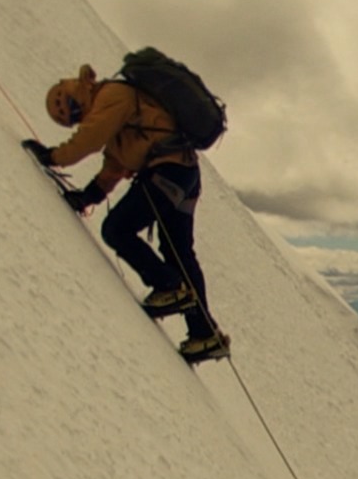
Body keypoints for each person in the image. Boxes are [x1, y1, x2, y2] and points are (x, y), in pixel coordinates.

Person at [23, 64, 229, 363]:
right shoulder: (120, 108)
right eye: (62, 114)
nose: (66, 110)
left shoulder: (112, 95)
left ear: (74, 86)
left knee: (117, 229)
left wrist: (53, 157)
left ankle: (169, 286)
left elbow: (90, 139)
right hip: (183, 173)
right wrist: (89, 196)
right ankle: (203, 334)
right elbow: (116, 164)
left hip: (166, 170)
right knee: (178, 251)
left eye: (63, 100)